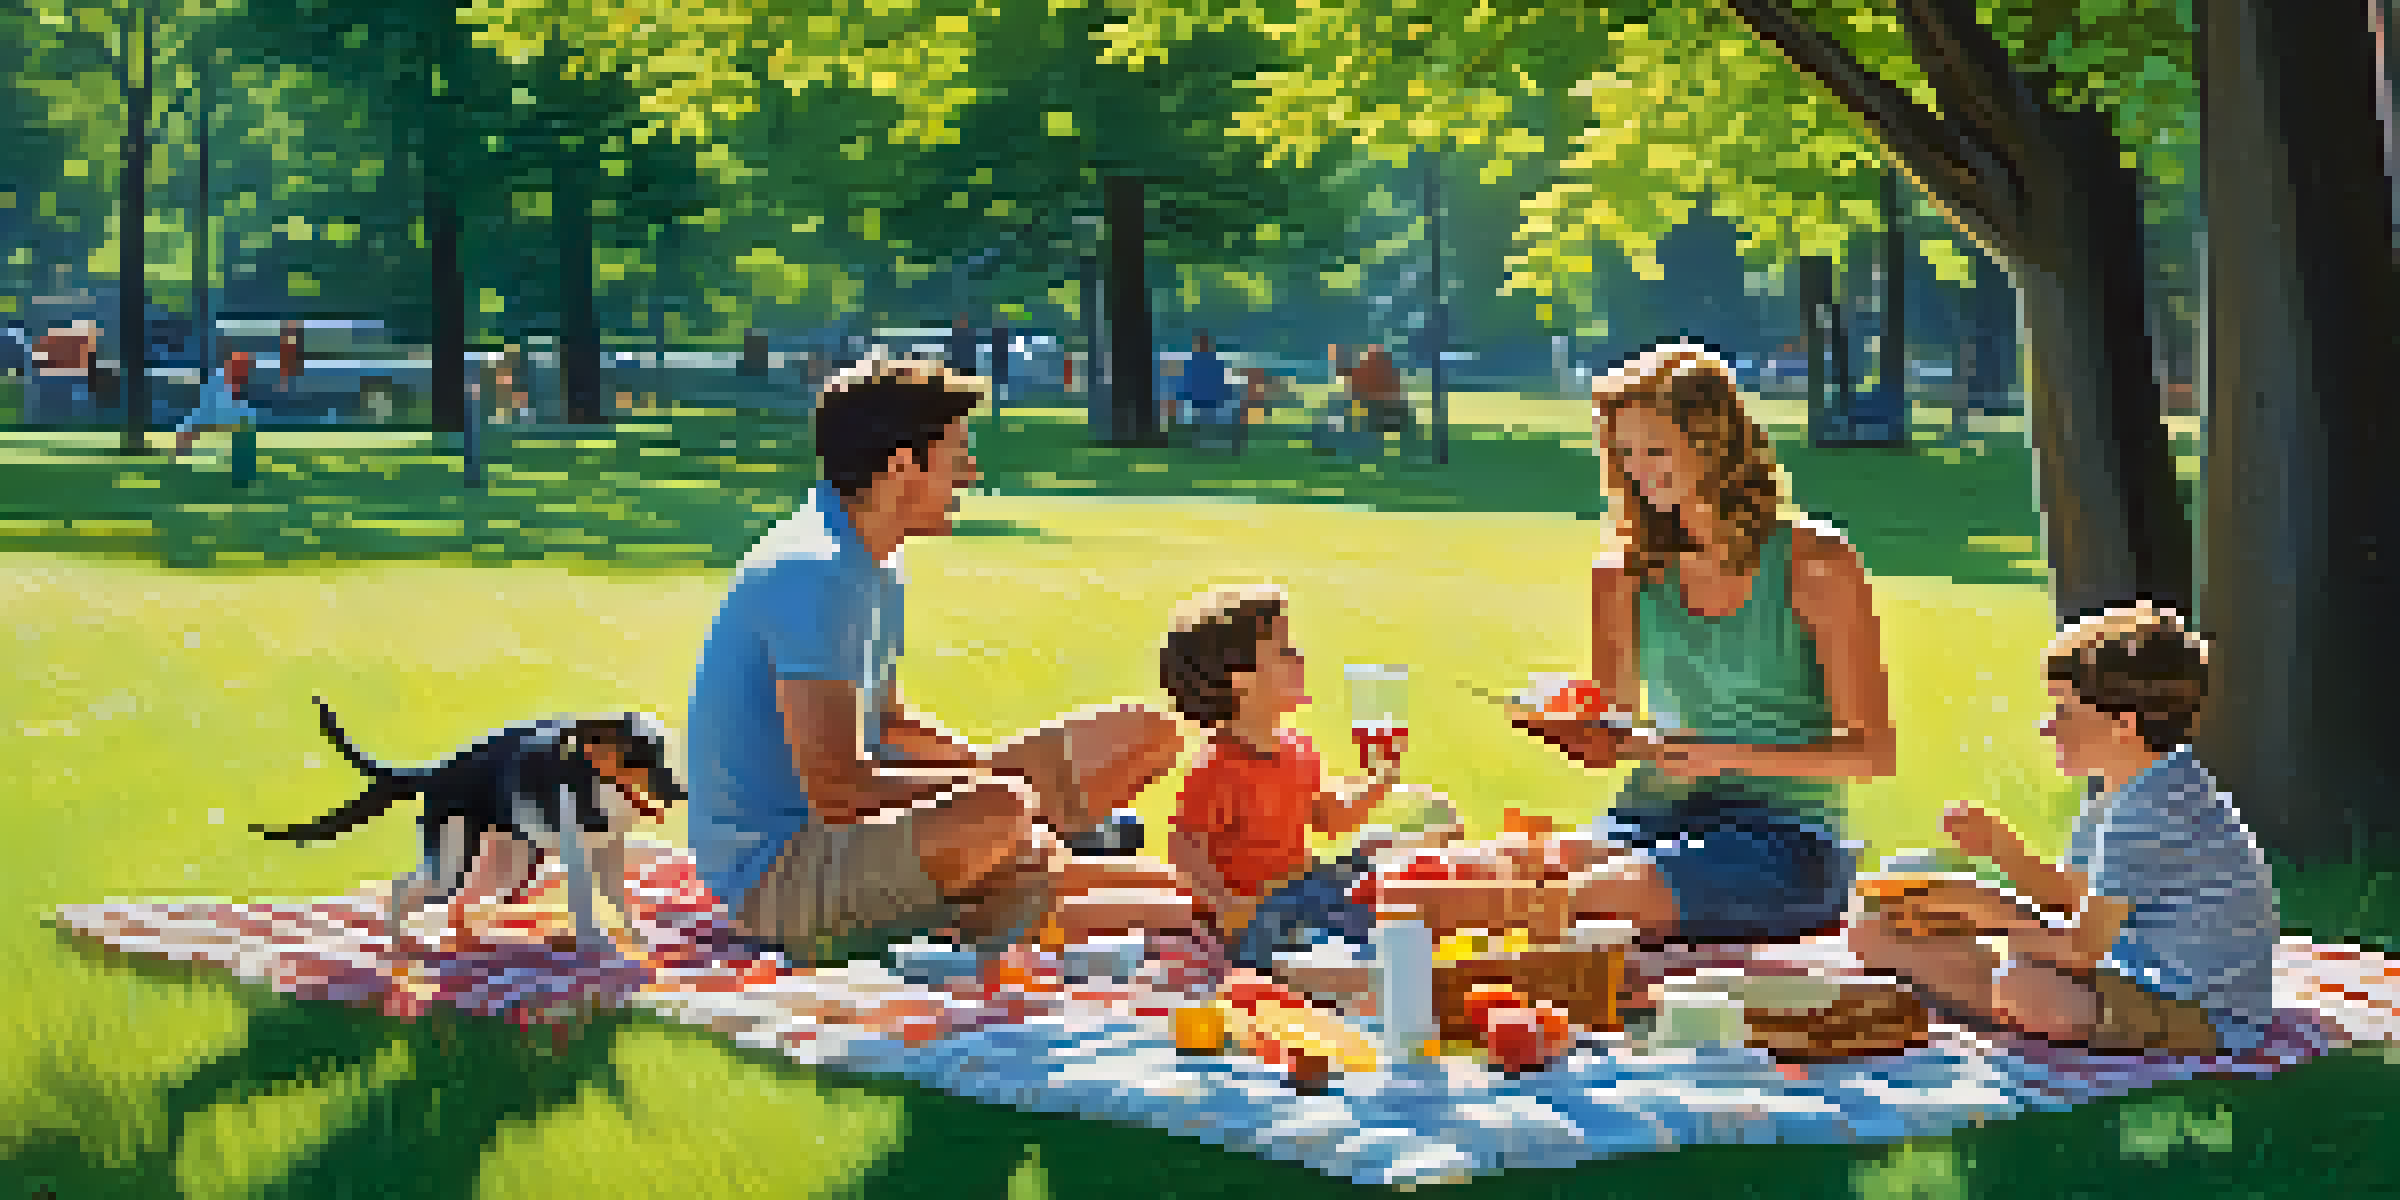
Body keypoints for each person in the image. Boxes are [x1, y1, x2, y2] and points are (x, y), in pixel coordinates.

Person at [685, 358, 1185, 964]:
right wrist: (994, 796)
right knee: (1002, 815)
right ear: (902, 466)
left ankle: (1067, 887)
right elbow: (838, 789)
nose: (970, 473)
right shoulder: (815, 572)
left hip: (853, 838)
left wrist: (987, 775)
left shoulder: (872, 559)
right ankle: (1007, 900)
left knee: (1141, 734)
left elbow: (889, 723)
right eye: (956, 455)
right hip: (778, 875)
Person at [1402, 340, 1897, 945]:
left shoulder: (1816, 564)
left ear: (1717, 445)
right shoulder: (1623, 574)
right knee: (1475, 870)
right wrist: (1574, 729)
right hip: (1648, 821)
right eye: (1625, 451)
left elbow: (1872, 753)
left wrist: (1721, 755)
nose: (1640, 469)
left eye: (1658, 448)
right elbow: (1614, 735)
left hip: (1785, 839)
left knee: (1577, 901)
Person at [1847, 604, 2278, 1056]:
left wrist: (1984, 907)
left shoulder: (2153, 810)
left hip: (2200, 1013)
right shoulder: (2119, 793)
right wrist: (2000, 851)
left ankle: (1975, 992)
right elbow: (2074, 896)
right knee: (1876, 928)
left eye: (2064, 711)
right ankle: (1968, 984)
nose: (2047, 727)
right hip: (2127, 973)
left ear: (2123, 722)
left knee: (2025, 986)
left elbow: (2082, 949)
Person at [1159, 585, 1398, 969]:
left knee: (1381, 857)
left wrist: (1379, 782)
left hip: (1300, 897)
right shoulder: (1219, 765)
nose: (1300, 657)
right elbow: (1183, 846)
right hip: (1257, 919)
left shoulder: (1297, 749)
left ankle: (1363, 947)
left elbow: (1329, 818)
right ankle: (1348, 962)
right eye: (1284, 651)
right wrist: (1226, 906)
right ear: (1240, 679)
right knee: (1341, 927)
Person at [173, 349, 260, 458]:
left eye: (246, 368)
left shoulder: (240, 394)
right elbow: (204, 412)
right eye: (240, 366)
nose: (244, 371)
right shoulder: (216, 384)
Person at [1178, 330, 1231, 427]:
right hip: (1211, 407)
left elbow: (1185, 387)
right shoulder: (1217, 363)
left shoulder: (1191, 364)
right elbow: (1224, 388)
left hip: (1201, 407)